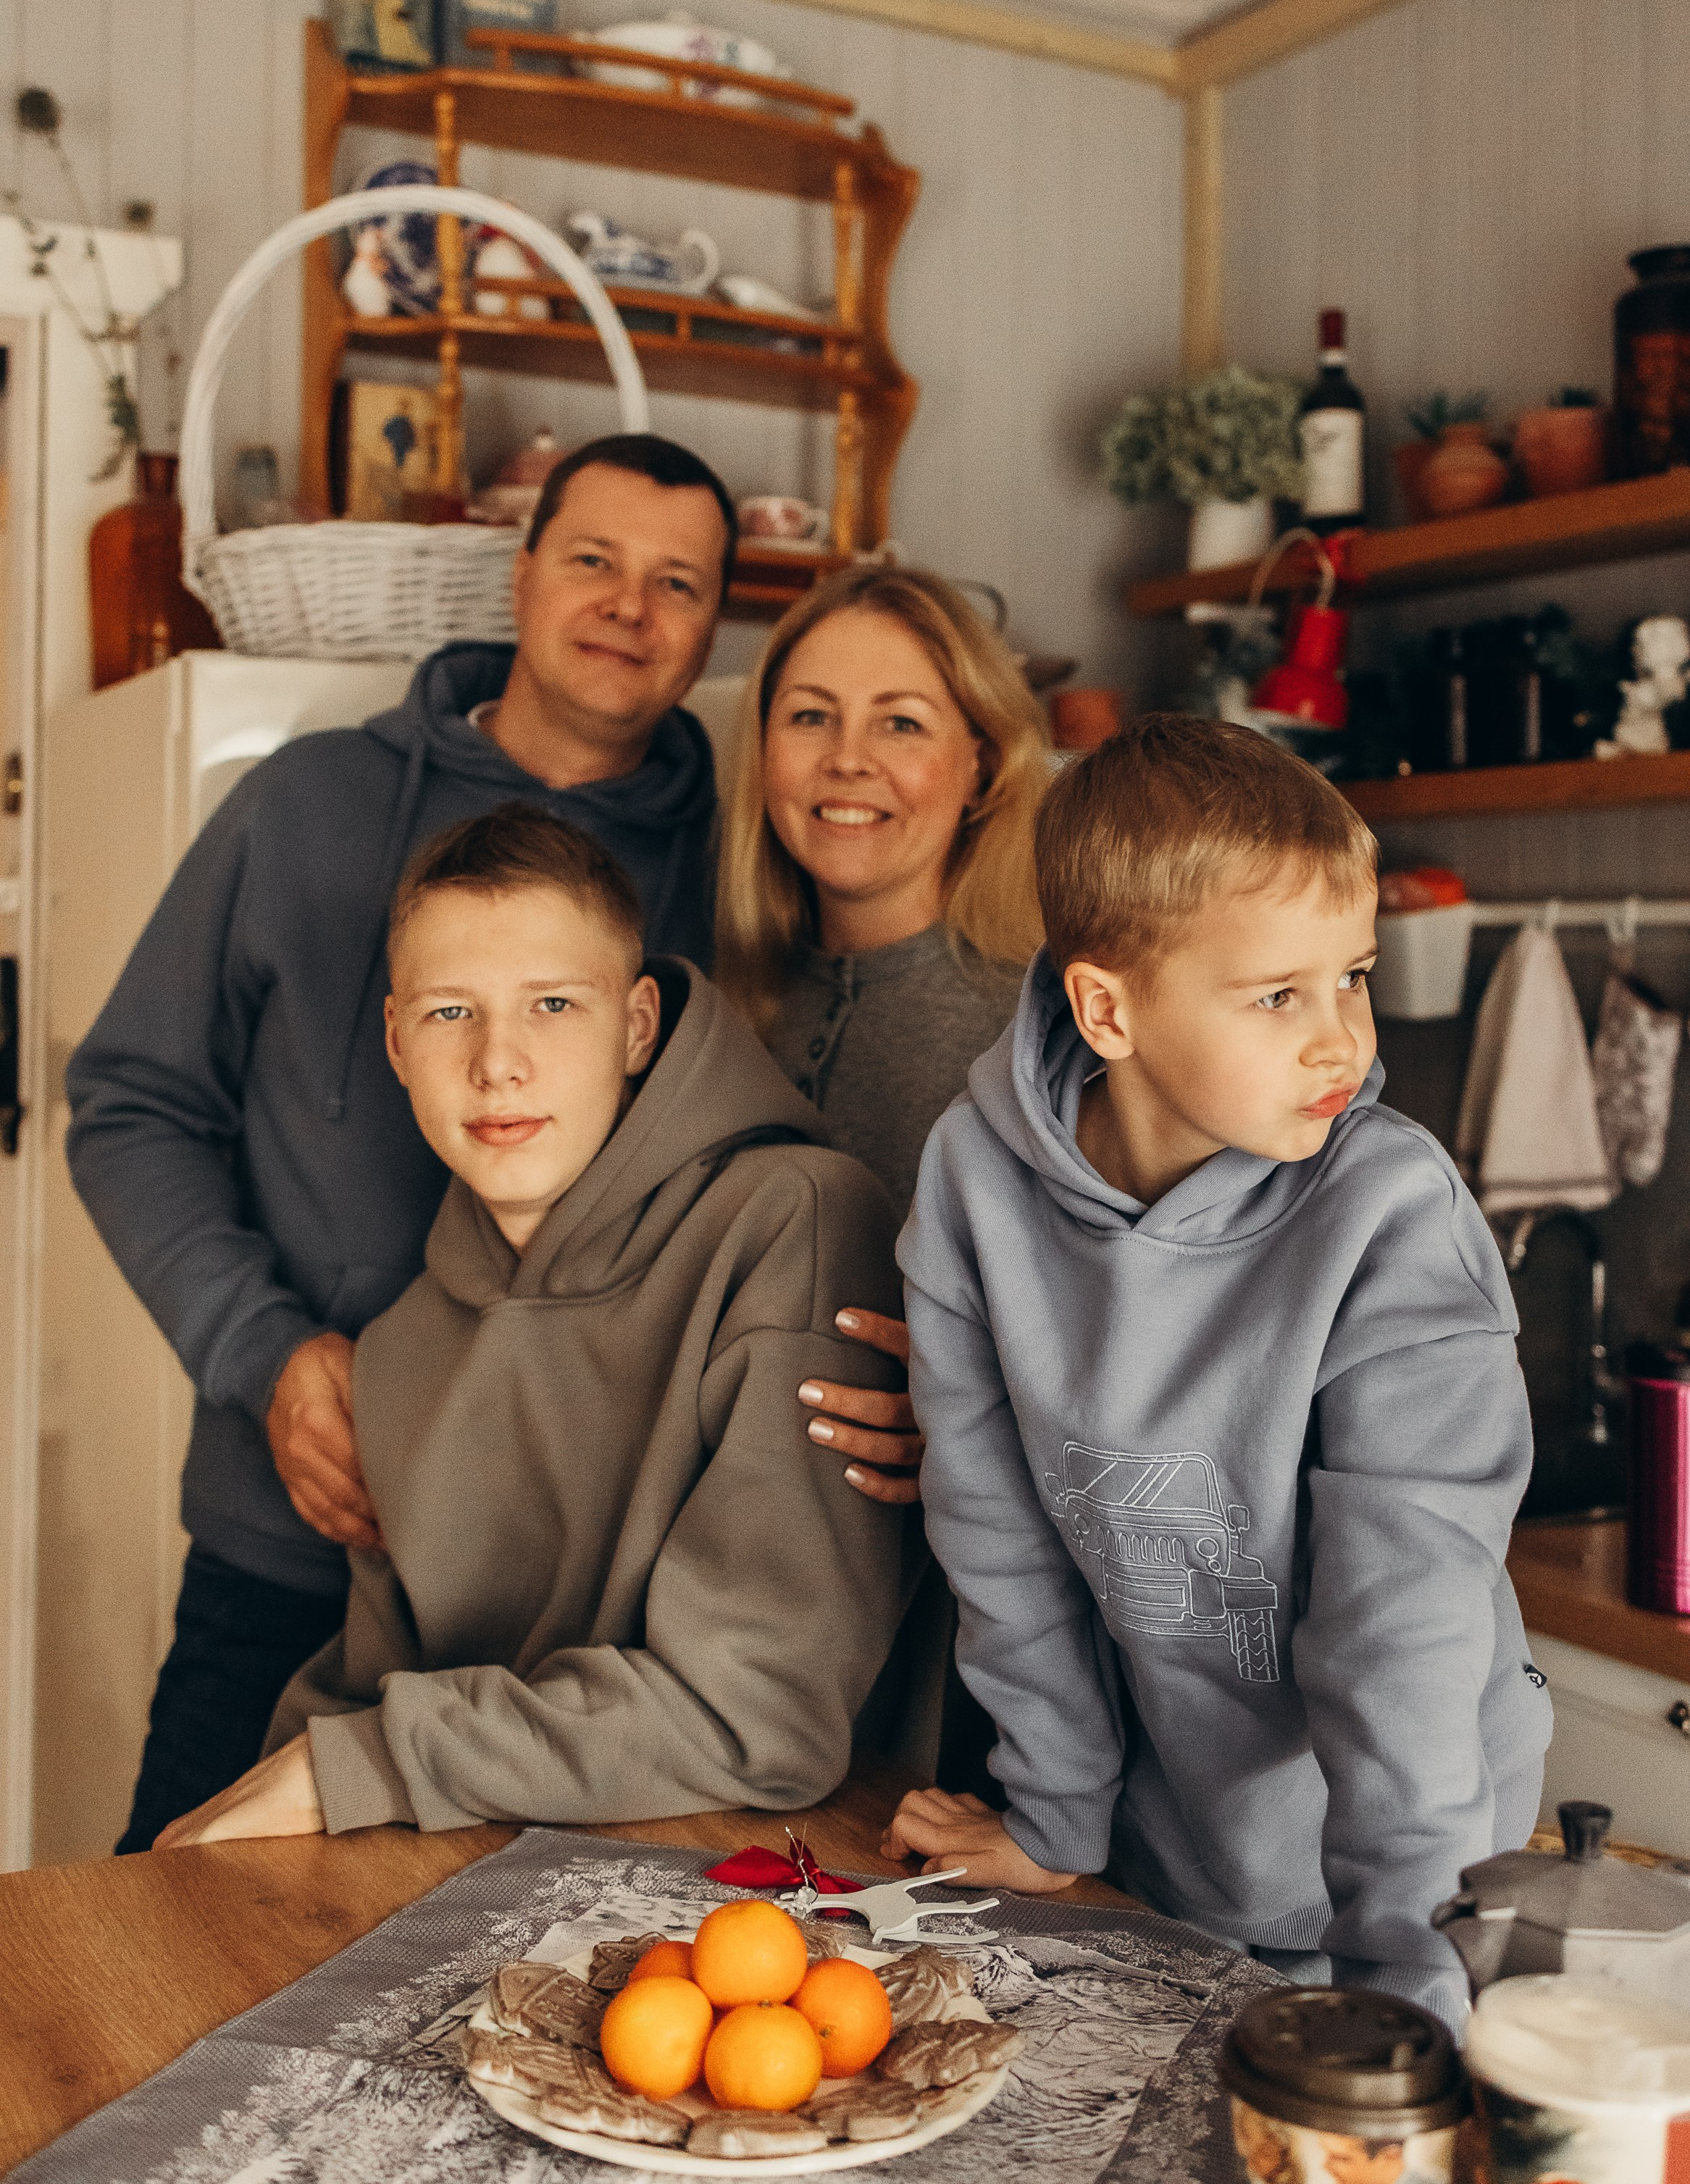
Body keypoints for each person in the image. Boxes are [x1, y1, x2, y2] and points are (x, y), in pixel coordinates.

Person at [67, 432, 738, 1852]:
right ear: (523, 575)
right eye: (595, 560)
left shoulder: (743, 872)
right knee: (159, 1957)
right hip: (293, 1539)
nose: (630, 604)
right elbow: (133, 1105)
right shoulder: (303, 807)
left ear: (712, 627)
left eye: (678, 581)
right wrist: (267, 1354)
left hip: (584, 1602)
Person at [887, 714, 1550, 2025]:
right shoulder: (971, 1180)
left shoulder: (1390, 1209)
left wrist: (1409, 1997)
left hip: (1426, 1863)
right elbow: (998, 1534)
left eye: (1351, 975)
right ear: (1106, 1008)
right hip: (1177, 1855)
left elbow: (1400, 1630)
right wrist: (1060, 1819)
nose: (1341, 1043)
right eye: (1276, 996)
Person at [154, 806, 913, 1846]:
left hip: (777, 1891)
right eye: (449, 1013)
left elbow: (762, 1716)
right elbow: (367, 1701)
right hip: (496, 1887)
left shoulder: (794, 1224)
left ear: (638, 1024)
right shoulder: (402, 1348)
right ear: (393, 1041)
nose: (497, 1063)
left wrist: (365, 1765)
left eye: (552, 1003)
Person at [716, 563, 1047, 1520]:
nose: (846, 760)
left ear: (981, 764)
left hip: (962, 1608)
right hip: (741, 1564)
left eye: (900, 721)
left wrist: (983, 1420)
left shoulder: (1048, 1033)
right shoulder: (718, 1015)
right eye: (810, 717)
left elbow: (1164, 1329)